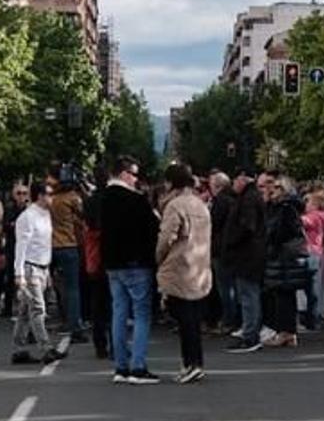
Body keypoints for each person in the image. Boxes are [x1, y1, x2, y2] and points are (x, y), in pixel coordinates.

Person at [101, 156, 160, 384]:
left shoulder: (103, 198)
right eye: (134, 174)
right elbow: (152, 229)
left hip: (112, 264)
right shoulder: (136, 200)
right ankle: (138, 366)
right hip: (136, 263)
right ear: (124, 173)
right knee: (142, 314)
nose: (136, 179)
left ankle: (120, 366)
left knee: (118, 313)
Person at [156, 164, 212, 384]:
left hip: (180, 266)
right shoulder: (201, 204)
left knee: (183, 319)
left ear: (171, 183)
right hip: (200, 266)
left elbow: (166, 239)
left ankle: (190, 364)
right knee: (194, 320)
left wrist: (159, 259)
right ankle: (196, 362)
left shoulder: (175, 206)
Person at [11, 181, 64, 364]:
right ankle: (46, 346)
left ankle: (19, 349)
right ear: (40, 196)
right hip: (30, 267)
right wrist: (19, 273)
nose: (52, 197)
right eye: (49, 194)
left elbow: (45, 244)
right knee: (38, 309)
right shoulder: (27, 217)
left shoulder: (46, 215)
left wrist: (47, 269)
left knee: (25, 311)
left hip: (42, 266)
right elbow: (21, 246)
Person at [263, 176, 311, 348]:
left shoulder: (285, 208)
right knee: (284, 294)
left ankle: (286, 332)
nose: (271, 190)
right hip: (284, 256)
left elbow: (282, 231)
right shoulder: (283, 207)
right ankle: (287, 332)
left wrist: (271, 240)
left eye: (276, 187)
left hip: (284, 256)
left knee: (284, 294)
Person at [223, 169, 267, 354]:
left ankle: (250, 335)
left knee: (248, 295)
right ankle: (251, 332)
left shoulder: (248, 199)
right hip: (252, 253)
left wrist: (232, 239)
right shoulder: (252, 196)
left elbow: (247, 226)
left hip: (247, 254)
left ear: (242, 179)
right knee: (250, 294)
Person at [50, 169, 86, 342]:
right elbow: (83, 215)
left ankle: (63, 318)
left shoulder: (53, 200)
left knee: (59, 286)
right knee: (73, 288)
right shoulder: (73, 198)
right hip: (69, 244)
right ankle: (75, 324)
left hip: (53, 245)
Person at [82, 168, 112, 359]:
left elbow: (86, 222)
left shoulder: (89, 201)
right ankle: (116, 344)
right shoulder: (114, 200)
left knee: (97, 302)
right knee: (115, 302)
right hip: (113, 253)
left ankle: (99, 344)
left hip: (94, 252)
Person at [207, 172, 237, 334]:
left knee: (224, 287)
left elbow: (213, 223)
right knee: (230, 286)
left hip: (220, 249)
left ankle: (228, 320)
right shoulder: (232, 200)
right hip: (228, 248)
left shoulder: (221, 201)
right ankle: (230, 318)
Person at [301, 189, 324, 331]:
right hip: (321, 251)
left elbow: (302, 222)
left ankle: (313, 315)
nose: (305, 205)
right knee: (320, 285)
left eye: (308, 202)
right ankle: (319, 313)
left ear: (315, 204)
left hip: (311, 251)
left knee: (311, 287)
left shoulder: (312, 217)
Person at [0, 184, 29, 319]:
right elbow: (6, 225)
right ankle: (8, 307)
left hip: (27, 249)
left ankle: (25, 308)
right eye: (18, 193)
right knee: (10, 278)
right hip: (12, 247)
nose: (21, 196)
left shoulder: (30, 210)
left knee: (27, 279)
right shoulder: (9, 209)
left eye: (24, 193)